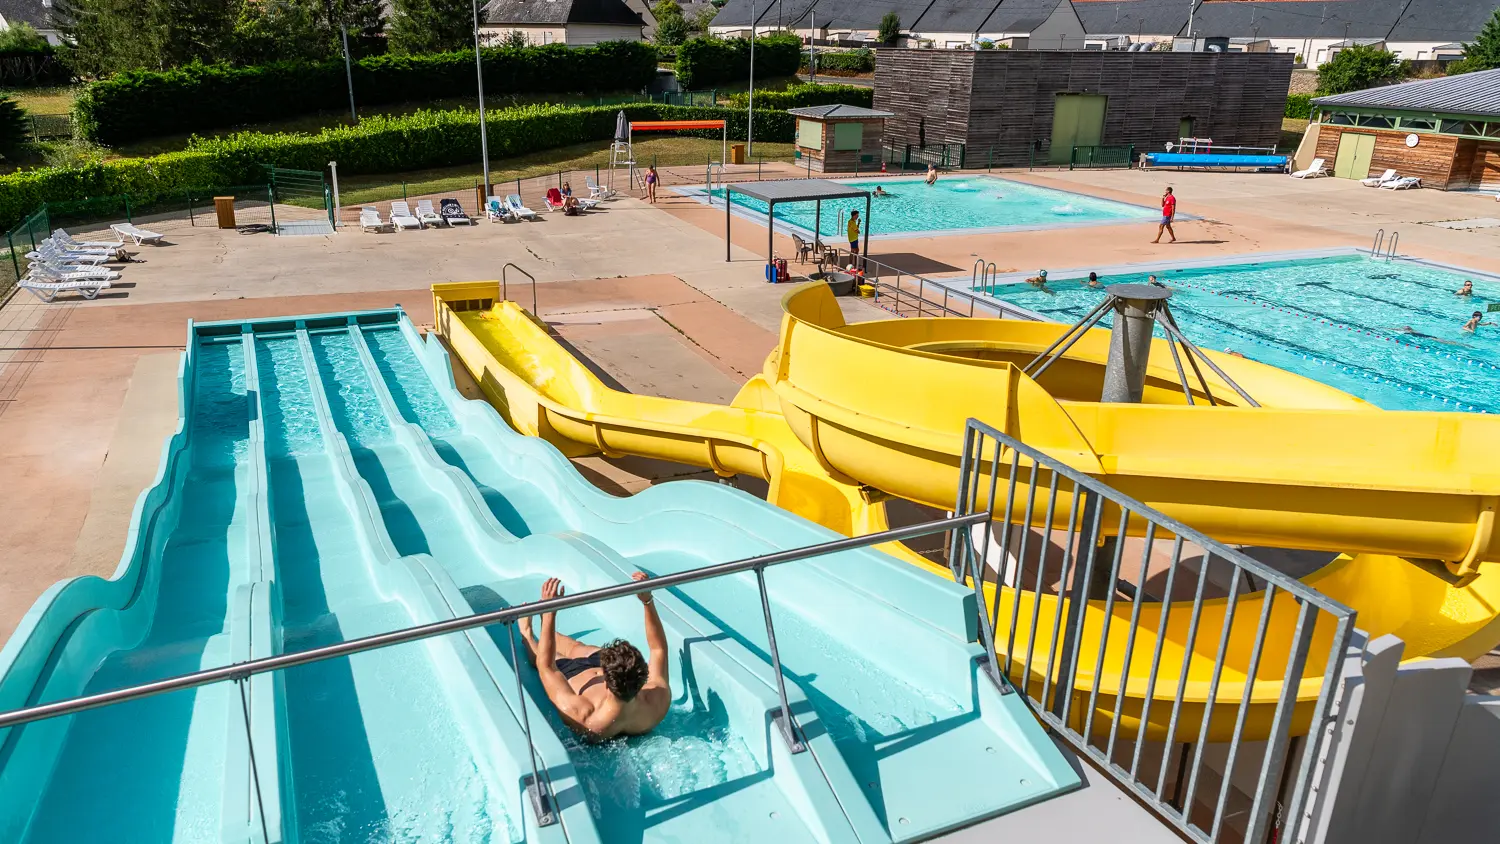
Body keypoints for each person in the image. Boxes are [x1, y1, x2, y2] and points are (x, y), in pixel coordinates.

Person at [519, 573, 671, 740]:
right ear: (643, 678)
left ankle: (528, 634)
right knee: (578, 648)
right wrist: (647, 601)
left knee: (550, 658)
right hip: (615, 668)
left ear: (606, 681)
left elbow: (546, 667)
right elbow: (658, 650)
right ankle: (546, 627)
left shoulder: (588, 718)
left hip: (571, 673)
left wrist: (550, 613)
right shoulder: (655, 702)